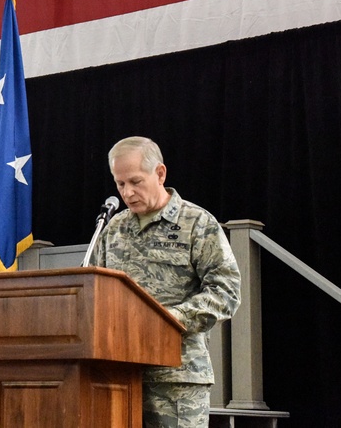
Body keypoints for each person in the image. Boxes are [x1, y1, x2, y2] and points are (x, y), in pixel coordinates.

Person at [92, 137, 241, 428]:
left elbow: (226, 291)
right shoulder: (114, 229)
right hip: (118, 376)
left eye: (135, 181)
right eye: (120, 184)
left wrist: (168, 319)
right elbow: (96, 292)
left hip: (176, 380)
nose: (127, 192)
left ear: (160, 173)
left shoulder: (197, 223)